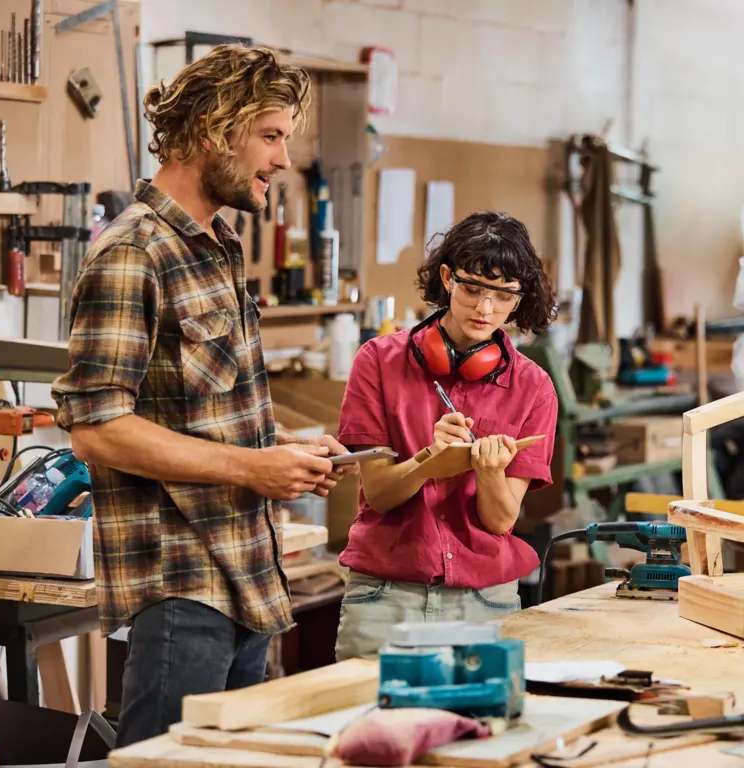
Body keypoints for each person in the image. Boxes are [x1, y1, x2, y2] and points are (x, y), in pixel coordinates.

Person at [50, 45, 356, 746]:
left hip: (248, 569)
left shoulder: (217, 243)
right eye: (271, 136)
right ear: (217, 131)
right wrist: (253, 469)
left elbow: (198, 409)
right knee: (167, 764)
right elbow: (97, 430)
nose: (282, 160)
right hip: (182, 580)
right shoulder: (133, 253)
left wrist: (281, 447)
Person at [334, 211, 559, 661]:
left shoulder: (533, 387)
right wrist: (428, 461)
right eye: (473, 289)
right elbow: (377, 493)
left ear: (519, 298)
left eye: (502, 297)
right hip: (384, 597)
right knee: (373, 726)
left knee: (483, 725)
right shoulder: (378, 361)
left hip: (485, 601)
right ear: (447, 278)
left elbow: (500, 522)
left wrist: (490, 472)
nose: (484, 310)